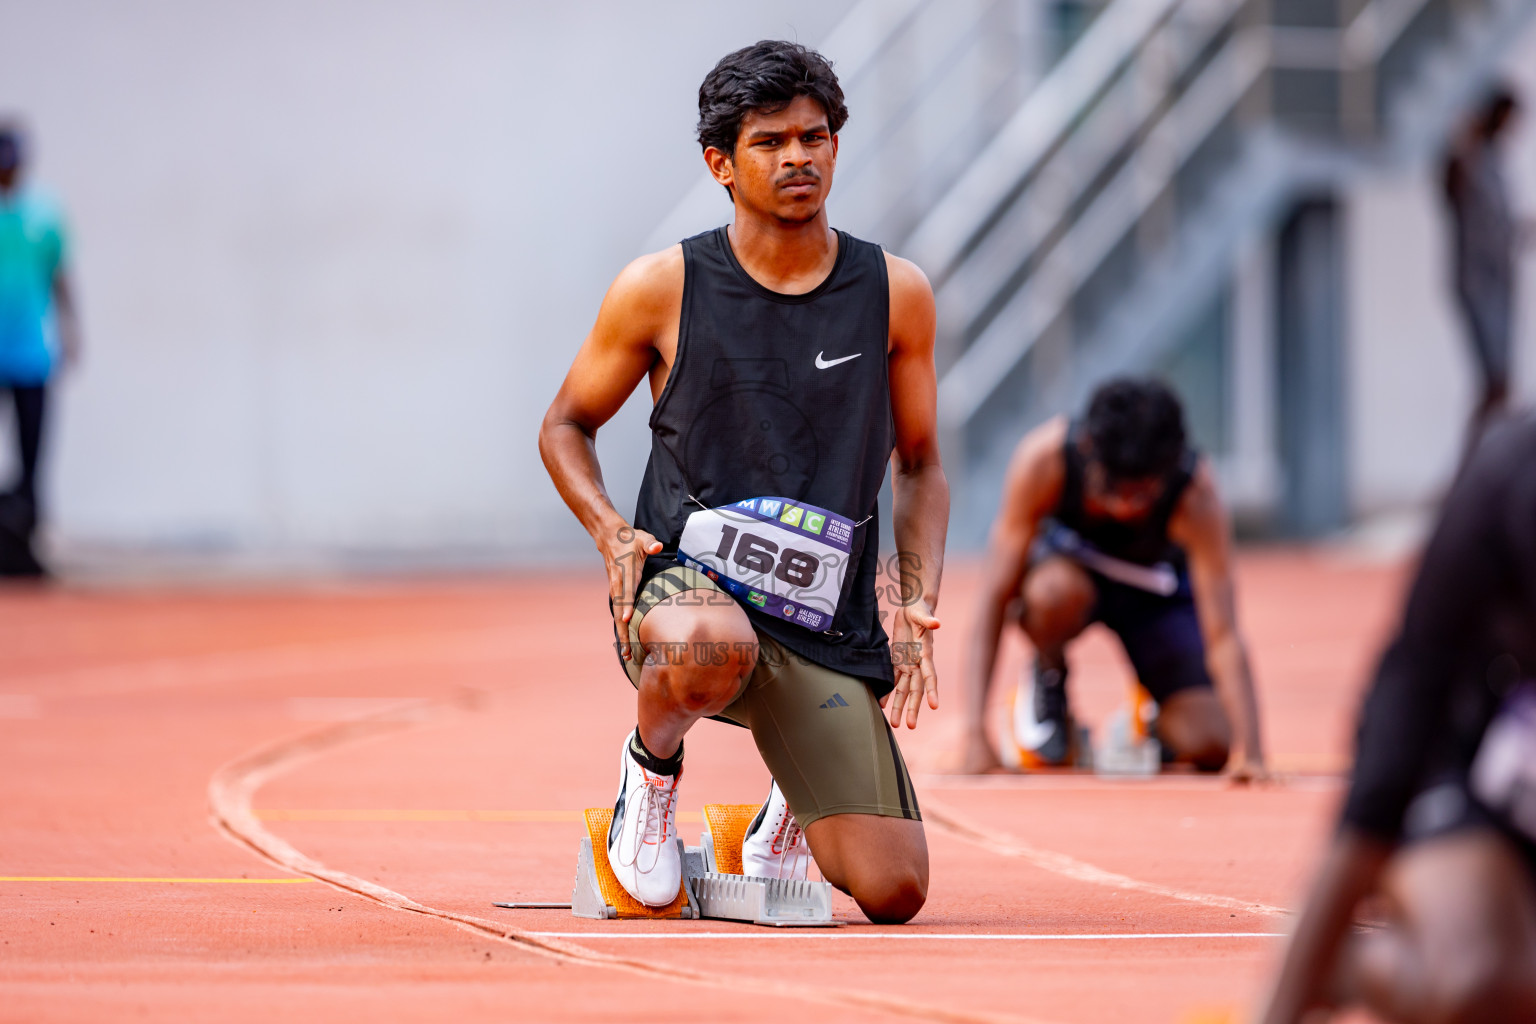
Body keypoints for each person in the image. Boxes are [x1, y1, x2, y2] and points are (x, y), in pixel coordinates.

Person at [538, 40, 948, 923]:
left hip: (818, 620)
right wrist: (611, 530)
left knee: (893, 888)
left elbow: (920, 464)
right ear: (721, 163)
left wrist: (910, 601)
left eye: (815, 136)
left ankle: (776, 820)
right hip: (685, 602)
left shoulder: (896, 294)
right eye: (770, 142)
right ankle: (646, 784)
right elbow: (565, 425)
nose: (798, 156)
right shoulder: (662, 287)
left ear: (836, 145)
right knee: (709, 644)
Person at [1261, 413, 1536, 1023]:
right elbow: (1392, 758)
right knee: (1485, 985)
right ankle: (1354, 967)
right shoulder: (1504, 479)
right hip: (1473, 751)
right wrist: (1283, 1002)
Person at [948, 378, 1265, 777]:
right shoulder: (1043, 460)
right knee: (1051, 594)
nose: (1125, 507)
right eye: (1112, 488)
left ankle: (1148, 722)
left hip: (1152, 597)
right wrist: (975, 734)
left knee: (1212, 743)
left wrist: (1251, 752)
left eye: (1143, 493)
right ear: (1087, 449)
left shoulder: (1195, 493)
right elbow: (993, 598)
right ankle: (1049, 676)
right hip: (1069, 583)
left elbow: (1224, 634)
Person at [0, 122, 80, 577]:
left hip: (31, 354)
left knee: (33, 457)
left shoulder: (44, 214)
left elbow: (61, 274)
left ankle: (26, 542)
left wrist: (70, 329)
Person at [1442, 86, 1527, 447]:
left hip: (1502, 280)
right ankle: (1475, 466)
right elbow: (1453, 188)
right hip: (1478, 282)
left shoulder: (1495, 163)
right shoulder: (1467, 160)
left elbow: (1500, 225)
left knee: (1502, 382)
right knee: (1494, 383)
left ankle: (1484, 461)